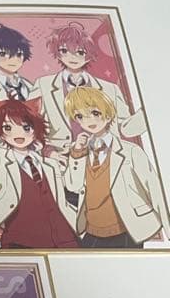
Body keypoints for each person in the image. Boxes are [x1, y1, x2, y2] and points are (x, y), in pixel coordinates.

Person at [0, 97, 79, 248]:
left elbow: (72, 186)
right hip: (20, 238)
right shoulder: (0, 158)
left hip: (63, 237)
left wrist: (78, 154)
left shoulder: (49, 164)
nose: (18, 134)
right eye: (8, 128)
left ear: (36, 129)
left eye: (26, 128)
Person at [61, 86, 167, 248]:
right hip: (92, 229)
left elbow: (155, 191)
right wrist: (77, 154)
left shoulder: (131, 151)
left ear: (108, 114)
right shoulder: (81, 151)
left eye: (95, 113)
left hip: (127, 229)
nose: (89, 121)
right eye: (80, 116)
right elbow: (72, 186)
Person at [35, 22, 146, 154]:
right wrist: (48, 152)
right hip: (63, 157)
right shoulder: (44, 85)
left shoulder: (110, 89)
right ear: (57, 53)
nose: (73, 57)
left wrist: (150, 111)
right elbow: (31, 124)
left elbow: (125, 128)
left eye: (80, 52)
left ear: (89, 56)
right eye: (65, 51)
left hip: (104, 155)